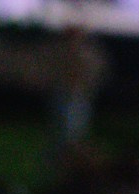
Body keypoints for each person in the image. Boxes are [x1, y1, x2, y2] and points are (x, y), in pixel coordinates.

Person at [45, 26, 111, 155]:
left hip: (79, 96)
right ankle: (62, 156)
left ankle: (74, 156)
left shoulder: (88, 53)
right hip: (63, 94)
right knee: (61, 130)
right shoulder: (61, 51)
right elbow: (53, 71)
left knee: (76, 130)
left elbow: (97, 73)